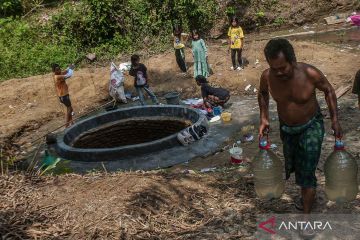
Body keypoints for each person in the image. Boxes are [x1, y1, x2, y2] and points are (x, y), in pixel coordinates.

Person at [258, 39, 342, 214]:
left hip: (311, 126)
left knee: (307, 172)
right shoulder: (267, 77)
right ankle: (306, 192)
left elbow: (329, 91)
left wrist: (335, 119)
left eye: (283, 68)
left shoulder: (309, 73)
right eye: (275, 69)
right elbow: (263, 94)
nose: (279, 73)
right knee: (297, 166)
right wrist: (264, 118)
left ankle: (306, 216)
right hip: (287, 129)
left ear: (292, 60)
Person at [52, 63, 75, 127]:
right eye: (57, 70)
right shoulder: (58, 76)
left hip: (62, 96)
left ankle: (72, 123)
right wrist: (72, 68)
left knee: (69, 109)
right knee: (69, 109)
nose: (59, 70)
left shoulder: (59, 74)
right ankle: (66, 125)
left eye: (59, 68)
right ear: (54, 71)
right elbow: (69, 75)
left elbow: (66, 71)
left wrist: (70, 66)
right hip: (64, 96)